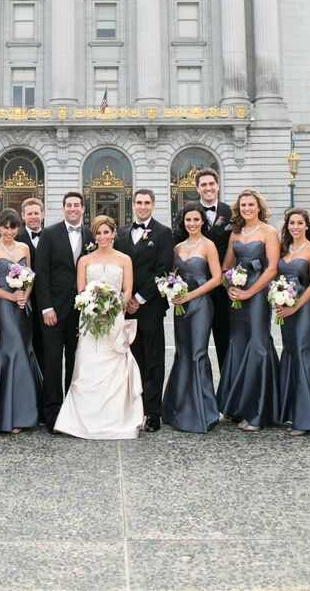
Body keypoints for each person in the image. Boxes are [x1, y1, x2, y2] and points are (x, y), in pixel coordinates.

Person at [55, 215, 143, 439]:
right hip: (90, 320)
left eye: (106, 232)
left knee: (114, 366)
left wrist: (114, 308)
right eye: (98, 233)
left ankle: (117, 418)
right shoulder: (84, 260)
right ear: (94, 236)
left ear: (114, 234)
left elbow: (127, 291)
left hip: (114, 319)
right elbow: (81, 290)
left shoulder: (124, 259)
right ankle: (79, 420)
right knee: (87, 364)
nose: (102, 237)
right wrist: (93, 307)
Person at [216, 188, 280, 431]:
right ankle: (239, 406)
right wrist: (230, 286)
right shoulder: (236, 233)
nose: (247, 209)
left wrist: (250, 292)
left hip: (257, 294)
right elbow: (225, 267)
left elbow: (272, 268)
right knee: (239, 343)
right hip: (237, 298)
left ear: (259, 207)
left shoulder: (269, 232)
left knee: (258, 343)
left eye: (251, 205)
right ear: (239, 209)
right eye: (243, 205)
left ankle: (259, 411)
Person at [115, 188, 173, 432]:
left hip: (150, 307)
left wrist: (138, 298)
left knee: (153, 360)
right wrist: (125, 299)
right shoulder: (122, 232)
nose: (142, 206)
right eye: (138, 202)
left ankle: (153, 412)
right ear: (133, 204)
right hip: (126, 307)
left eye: (147, 202)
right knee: (132, 359)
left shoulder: (163, 233)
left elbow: (162, 270)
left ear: (153, 205)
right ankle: (134, 409)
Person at [0, 209, 43, 435]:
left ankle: (26, 411)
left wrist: (24, 295)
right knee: (11, 351)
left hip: (22, 306)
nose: (10, 231)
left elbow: (31, 277)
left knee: (25, 351)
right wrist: (11, 296)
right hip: (4, 307)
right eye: (6, 227)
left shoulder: (24, 248)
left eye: (13, 227)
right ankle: (8, 412)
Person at [161, 202, 222, 433]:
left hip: (201, 305)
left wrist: (191, 296)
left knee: (198, 353)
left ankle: (202, 411)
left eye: (196, 220)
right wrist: (171, 289)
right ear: (183, 222)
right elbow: (171, 275)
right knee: (183, 352)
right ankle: (179, 408)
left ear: (202, 222)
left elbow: (216, 278)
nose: (192, 223)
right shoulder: (177, 248)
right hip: (181, 308)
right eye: (188, 220)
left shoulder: (209, 245)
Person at [275, 208, 310, 437]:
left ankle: (309, 416)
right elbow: (278, 278)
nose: (295, 227)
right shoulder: (284, 249)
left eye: (299, 223)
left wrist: (297, 306)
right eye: (291, 223)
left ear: (307, 226)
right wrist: (276, 298)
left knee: (303, 353)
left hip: (304, 309)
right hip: (285, 309)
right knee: (290, 352)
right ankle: (296, 411)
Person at [35, 191, 90, 431]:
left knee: (77, 362)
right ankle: (53, 413)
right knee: (53, 361)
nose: (73, 209)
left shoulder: (91, 234)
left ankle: (73, 410)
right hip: (54, 311)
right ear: (63, 208)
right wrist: (46, 307)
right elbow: (42, 273)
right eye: (69, 205)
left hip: (82, 311)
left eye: (77, 205)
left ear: (83, 209)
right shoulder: (49, 233)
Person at [195, 168, 233, 371]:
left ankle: (227, 393)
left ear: (217, 185)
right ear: (197, 188)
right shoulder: (190, 213)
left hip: (223, 288)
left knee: (224, 340)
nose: (208, 188)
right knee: (195, 344)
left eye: (211, 184)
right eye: (203, 185)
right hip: (197, 286)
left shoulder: (230, 213)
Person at [17, 197, 45, 371]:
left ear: (42, 214)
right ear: (23, 216)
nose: (33, 217)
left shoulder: (51, 235)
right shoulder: (16, 237)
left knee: (44, 349)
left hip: (45, 302)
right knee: (23, 346)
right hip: (22, 303)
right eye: (29, 214)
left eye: (36, 213)